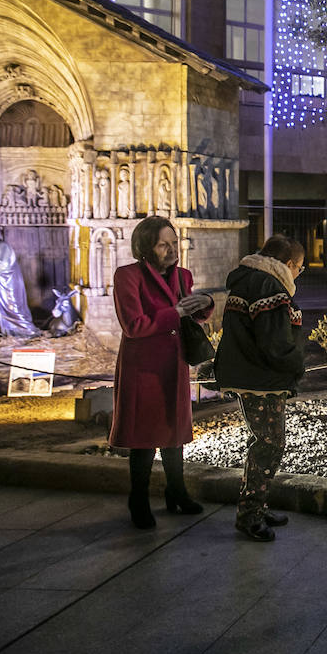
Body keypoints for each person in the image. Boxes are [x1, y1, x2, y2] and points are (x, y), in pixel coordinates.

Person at [108, 216, 214, 529]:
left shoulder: (182, 276)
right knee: (143, 439)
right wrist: (176, 312)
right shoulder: (128, 276)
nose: (171, 250)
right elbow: (133, 325)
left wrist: (204, 302)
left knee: (174, 433)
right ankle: (138, 500)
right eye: (162, 244)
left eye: (173, 242)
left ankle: (177, 492)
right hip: (143, 369)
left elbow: (194, 315)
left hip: (174, 365)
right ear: (146, 247)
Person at [214, 235, 305, 542]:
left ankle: (257, 505)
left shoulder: (249, 281)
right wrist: (297, 364)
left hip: (250, 376)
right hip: (261, 381)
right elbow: (275, 343)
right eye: (300, 268)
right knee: (270, 443)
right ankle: (250, 514)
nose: (298, 275)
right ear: (289, 264)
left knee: (266, 441)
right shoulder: (269, 287)